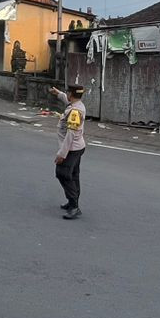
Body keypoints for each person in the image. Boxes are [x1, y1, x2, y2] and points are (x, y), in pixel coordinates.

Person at [49, 83, 88, 220]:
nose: (67, 95)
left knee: (63, 173)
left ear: (72, 94)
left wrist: (62, 154)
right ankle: (73, 202)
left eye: (68, 92)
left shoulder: (75, 112)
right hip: (78, 147)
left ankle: (74, 206)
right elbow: (68, 101)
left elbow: (70, 134)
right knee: (74, 174)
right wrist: (59, 93)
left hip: (72, 148)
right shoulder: (77, 105)